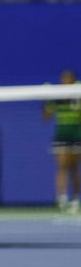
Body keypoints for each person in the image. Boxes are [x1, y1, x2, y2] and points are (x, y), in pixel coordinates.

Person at [44, 70, 80, 213]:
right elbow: (46, 117)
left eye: (68, 78)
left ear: (73, 79)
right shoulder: (57, 95)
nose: (65, 80)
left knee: (75, 168)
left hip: (77, 134)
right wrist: (46, 100)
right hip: (62, 134)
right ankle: (61, 198)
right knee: (62, 166)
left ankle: (76, 199)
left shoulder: (79, 91)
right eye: (63, 78)